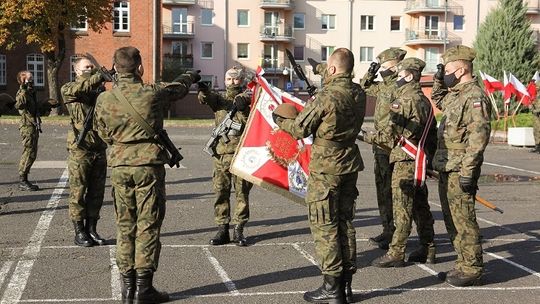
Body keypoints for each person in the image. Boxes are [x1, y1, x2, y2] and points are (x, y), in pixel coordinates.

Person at [94, 46, 199, 303]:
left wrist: (122, 143)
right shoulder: (152, 93)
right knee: (148, 224)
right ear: (139, 66)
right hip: (148, 167)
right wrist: (189, 76)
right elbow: (179, 88)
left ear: (115, 67)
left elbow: (101, 133)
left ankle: (127, 287)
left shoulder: (104, 99)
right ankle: (143, 288)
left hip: (119, 166)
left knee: (124, 225)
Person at [274, 48, 365, 304]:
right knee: (345, 223)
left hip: (326, 169)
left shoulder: (325, 97)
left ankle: (331, 287)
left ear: (333, 69)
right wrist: (318, 68)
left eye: (328, 67)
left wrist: (279, 119)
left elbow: (300, 128)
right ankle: (346, 285)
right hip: (349, 165)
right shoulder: (359, 93)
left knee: (325, 226)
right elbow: (335, 74)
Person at [365, 58, 437, 268]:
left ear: (409, 76)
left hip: (405, 159)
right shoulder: (423, 100)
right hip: (419, 159)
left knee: (402, 207)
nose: (396, 79)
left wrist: (368, 136)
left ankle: (396, 252)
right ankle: (428, 247)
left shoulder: (404, 101)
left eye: (400, 75)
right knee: (420, 205)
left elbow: (389, 136)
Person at [431, 45, 491, 287]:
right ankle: (462, 262)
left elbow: (479, 137)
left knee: (464, 219)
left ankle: (473, 268)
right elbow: (438, 99)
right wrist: (437, 79)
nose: (445, 73)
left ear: (462, 69)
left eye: (447, 69)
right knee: (451, 219)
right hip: (447, 166)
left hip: (460, 169)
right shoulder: (456, 95)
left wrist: (468, 171)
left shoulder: (475, 96)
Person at [198, 66, 253, 247]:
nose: (232, 82)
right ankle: (222, 228)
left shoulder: (248, 97)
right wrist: (204, 90)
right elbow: (208, 99)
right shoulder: (220, 99)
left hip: (241, 155)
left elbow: (250, 114)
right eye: (229, 79)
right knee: (220, 192)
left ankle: (239, 229)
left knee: (241, 194)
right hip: (221, 155)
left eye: (236, 79)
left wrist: (244, 104)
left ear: (242, 80)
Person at [61, 56, 111, 247]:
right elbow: (80, 89)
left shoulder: (100, 91)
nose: (90, 69)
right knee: (78, 191)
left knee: (97, 192)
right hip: (80, 149)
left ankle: (92, 229)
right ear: (76, 71)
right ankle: (79, 231)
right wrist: (98, 77)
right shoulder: (69, 88)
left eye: (92, 66)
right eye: (86, 67)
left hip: (99, 146)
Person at [359, 48, 407, 250]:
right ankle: (388, 230)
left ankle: (398, 233)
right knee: (382, 189)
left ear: (396, 66)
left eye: (385, 67)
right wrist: (371, 71)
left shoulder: (401, 86)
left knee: (395, 192)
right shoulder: (383, 87)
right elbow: (363, 87)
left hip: (393, 145)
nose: (382, 71)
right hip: (379, 145)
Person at [15, 70, 58, 191]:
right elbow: (19, 105)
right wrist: (23, 88)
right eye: (29, 78)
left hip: (32, 125)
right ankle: (22, 180)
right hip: (27, 127)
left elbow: (33, 108)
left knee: (32, 153)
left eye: (32, 78)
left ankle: (24, 178)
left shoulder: (31, 92)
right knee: (29, 152)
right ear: (23, 80)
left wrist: (46, 105)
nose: (32, 80)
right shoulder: (22, 92)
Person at [530, 82, 540, 153]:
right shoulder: (537, 95)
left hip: (537, 114)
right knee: (536, 131)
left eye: (538, 86)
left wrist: (534, 110)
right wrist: (531, 105)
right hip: (536, 117)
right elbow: (535, 104)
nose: (536, 87)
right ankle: (537, 146)